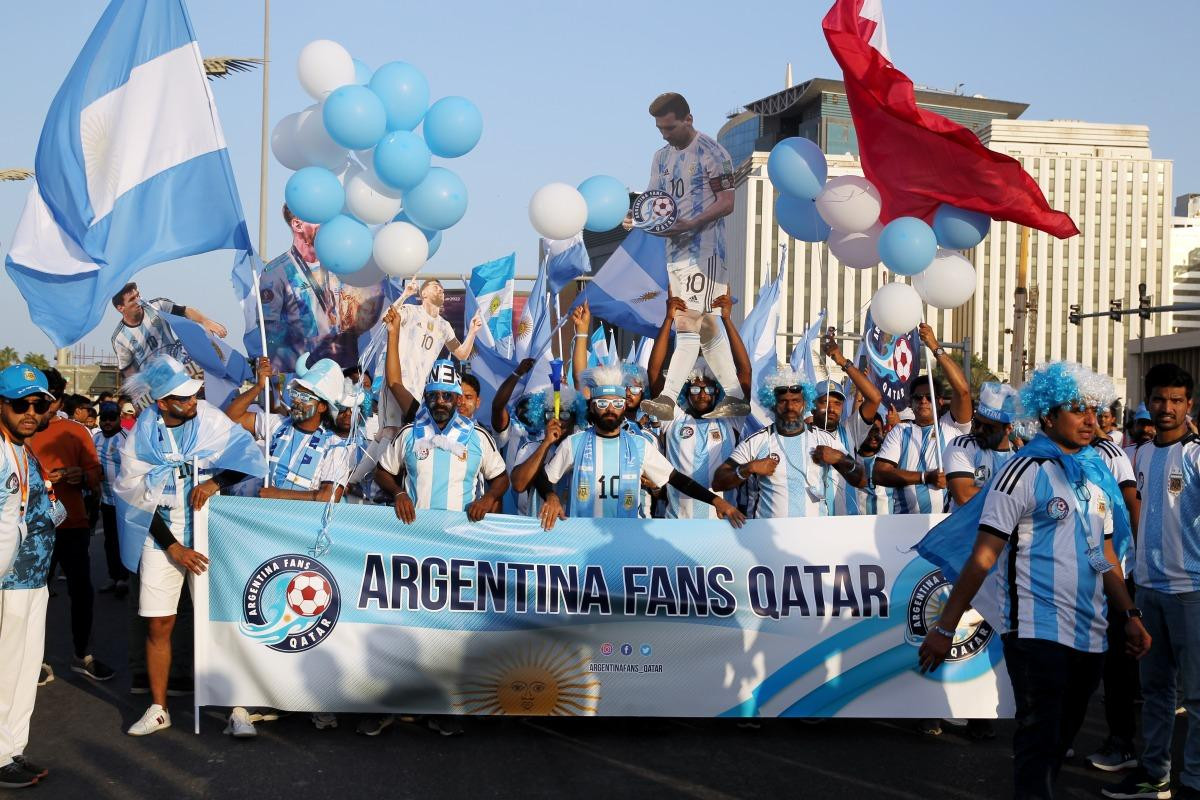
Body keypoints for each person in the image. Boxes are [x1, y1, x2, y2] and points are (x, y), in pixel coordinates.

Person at [918, 361, 1150, 800]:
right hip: (1036, 633)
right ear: (1047, 416)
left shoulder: (1094, 478)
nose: (1090, 420)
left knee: (1059, 740)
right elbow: (983, 556)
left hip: (1092, 636)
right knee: (1038, 740)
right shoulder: (1021, 472)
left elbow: (1104, 559)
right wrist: (945, 628)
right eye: (1076, 410)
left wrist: (1131, 615)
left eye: (1093, 410)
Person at [116, 355, 262, 737]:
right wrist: (173, 547)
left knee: (221, 622)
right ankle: (159, 707)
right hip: (161, 536)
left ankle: (238, 708)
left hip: (206, 531)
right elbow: (133, 498)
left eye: (194, 395)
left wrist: (214, 483)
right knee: (159, 623)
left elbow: (248, 459)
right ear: (162, 402)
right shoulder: (142, 435)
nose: (193, 402)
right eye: (184, 398)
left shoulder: (208, 418)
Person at [371, 360, 509, 738]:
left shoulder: (479, 437)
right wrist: (398, 491)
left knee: (449, 631)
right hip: (413, 547)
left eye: (450, 395)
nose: (444, 401)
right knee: (405, 626)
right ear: (429, 398)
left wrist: (487, 501)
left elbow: (501, 479)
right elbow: (382, 470)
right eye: (436, 396)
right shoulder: (410, 434)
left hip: (459, 550)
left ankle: (444, 707)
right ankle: (393, 705)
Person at [1104, 363, 1200, 800]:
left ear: (1189, 405)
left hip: (1192, 592)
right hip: (1149, 589)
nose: (1167, 408)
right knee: (1157, 691)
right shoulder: (1139, 453)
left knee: (1197, 699)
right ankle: (1154, 773)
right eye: (1159, 399)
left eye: (1176, 400)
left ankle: (1195, 780)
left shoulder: (1197, 454)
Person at [637, 92, 748, 422]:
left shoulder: (712, 152)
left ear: (688, 119)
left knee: (687, 321)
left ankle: (668, 398)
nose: (664, 134)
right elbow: (656, 202)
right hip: (675, 250)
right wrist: (645, 221)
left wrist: (691, 223)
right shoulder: (660, 157)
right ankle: (735, 394)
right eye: (660, 128)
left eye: (669, 127)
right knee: (707, 325)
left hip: (706, 250)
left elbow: (727, 202)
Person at [535, 365, 744, 529]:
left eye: (617, 404)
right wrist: (551, 496)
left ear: (624, 406)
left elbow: (677, 480)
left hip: (626, 542)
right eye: (602, 404)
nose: (610, 410)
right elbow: (544, 477)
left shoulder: (639, 445)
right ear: (591, 407)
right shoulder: (575, 442)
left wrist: (717, 501)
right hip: (581, 537)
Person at [27, 369, 110, 681]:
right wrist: (48, 479)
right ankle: (34, 659)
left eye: (47, 401)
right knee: (33, 595)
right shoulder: (16, 428)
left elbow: (95, 473)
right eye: (32, 401)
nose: (37, 409)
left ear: (58, 400)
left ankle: (83, 654)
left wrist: (81, 476)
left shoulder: (75, 431)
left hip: (72, 524)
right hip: (31, 527)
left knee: (82, 591)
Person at [0, 365, 57, 788]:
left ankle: (12, 749)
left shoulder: (23, 448)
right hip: (8, 582)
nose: (31, 412)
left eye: (39, 405)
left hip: (34, 579)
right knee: (5, 671)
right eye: (21, 404)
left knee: (23, 671)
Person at [712, 368, 865, 518]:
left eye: (796, 401)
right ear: (772, 404)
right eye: (783, 402)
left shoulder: (824, 439)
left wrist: (840, 459)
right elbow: (718, 482)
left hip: (815, 536)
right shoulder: (756, 441)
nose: (790, 407)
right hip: (768, 536)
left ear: (805, 403)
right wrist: (748, 468)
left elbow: (861, 480)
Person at [873, 324, 973, 516]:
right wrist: (925, 477)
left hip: (946, 523)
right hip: (905, 524)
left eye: (929, 397)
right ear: (911, 403)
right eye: (918, 398)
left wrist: (934, 346)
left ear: (940, 401)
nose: (924, 401)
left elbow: (963, 390)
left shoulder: (952, 427)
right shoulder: (900, 432)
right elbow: (880, 473)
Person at [226, 355, 353, 505]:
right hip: (265, 517)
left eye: (304, 396)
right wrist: (258, 386)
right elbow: (233, 416)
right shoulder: (277, 423)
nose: (296, 400)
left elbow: (329, 497)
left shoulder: (335, 446)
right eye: (294, 393)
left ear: (322, 406)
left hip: (299, 526)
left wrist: (280, 494)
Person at [376, 279, 483, 432]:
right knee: (389, 432)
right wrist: (405, 294)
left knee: (411, 431)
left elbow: (462, 354)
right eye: (435, 287)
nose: (441, 290)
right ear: (423, 293)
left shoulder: (444, 326)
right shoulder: (410, 310)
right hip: (397, 383)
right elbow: (385, 319)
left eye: (442, 289)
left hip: (420, 391)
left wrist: (472, 332)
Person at [815, 329, 884, 515]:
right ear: (812, 405)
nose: (831, 408)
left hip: (847, 524)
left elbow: (875, 398)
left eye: (837, 403)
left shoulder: (850, 430)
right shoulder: (802, 434)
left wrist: (842, 361)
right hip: (812, 525)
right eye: (825, 402)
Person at [110, 282, 227, 379]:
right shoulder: (119, 338)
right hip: (156, 381)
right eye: (132, 299)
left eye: (138, 295)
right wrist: (141, 392)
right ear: (121, 308)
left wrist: (205, 321)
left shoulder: (157, 306)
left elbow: (185, 311)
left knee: (207, 350)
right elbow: (128, 370)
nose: (138, 300)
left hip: (178, 366)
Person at [943, 382, 1021, 511]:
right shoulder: (961, 445)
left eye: (988, 427)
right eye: (977, 423)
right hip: (964, 529)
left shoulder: (1018, 456)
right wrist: (1013, 496)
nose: (979, 430)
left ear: (1008, 428)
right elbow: (964, 497)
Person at [92, 402, 129, 597]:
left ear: (118, 419)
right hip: (105, 501)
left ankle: (125, 578)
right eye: (103, 418)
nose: (107, 422)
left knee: (124, 540)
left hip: (124, 501)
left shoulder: (125, 439)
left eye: (111, 418)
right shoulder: (95, 438)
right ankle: (113, 576)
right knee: (110, 541)